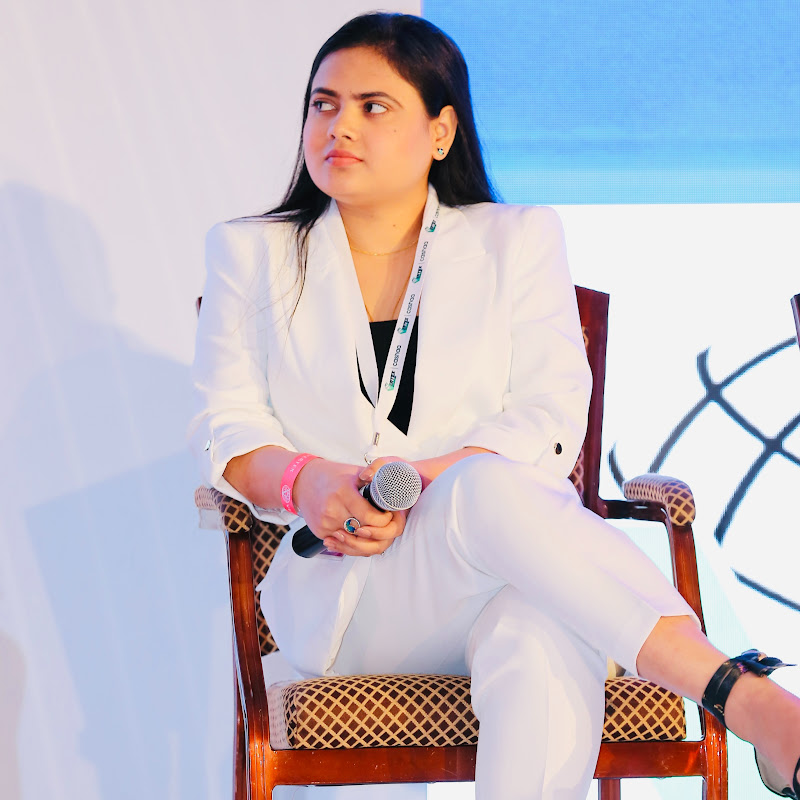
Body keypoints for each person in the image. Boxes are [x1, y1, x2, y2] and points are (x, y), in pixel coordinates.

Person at [188, 12, 800, 799]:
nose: (340, 126)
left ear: (441, 131)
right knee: (494, 506)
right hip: (351, 604)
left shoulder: (517, 239)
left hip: (502, 575)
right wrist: (308, 482)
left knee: (538, 629)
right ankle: (747, 699)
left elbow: (549, 424)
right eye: (323, 104)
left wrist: (419, 479)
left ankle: (747, 703)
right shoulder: (252, 252)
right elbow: (226, 428)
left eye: (373, 106)